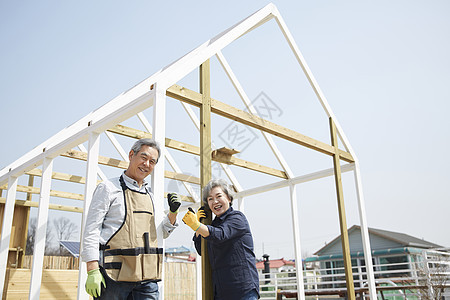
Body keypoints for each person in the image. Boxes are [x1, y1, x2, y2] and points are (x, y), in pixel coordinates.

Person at [81, 138, 181, 300]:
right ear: (131, 155)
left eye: (152, 161)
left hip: (147, 278)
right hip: (114, 276)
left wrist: (173, 213)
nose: (147, 164)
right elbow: (92, 230)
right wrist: (92, 269)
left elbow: (162, 233)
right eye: (143, 157)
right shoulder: (108, 188)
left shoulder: (152, 197)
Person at [182, 179, 260, 300]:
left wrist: (196, 225)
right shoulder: (213, 224)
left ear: (229, 198)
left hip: (242, 290)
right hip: (222, 291)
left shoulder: (237, 218)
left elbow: (220, 235)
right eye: (210, 199)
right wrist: (198, 227)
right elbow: (202, 251)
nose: (215, 201)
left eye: (219, 196)